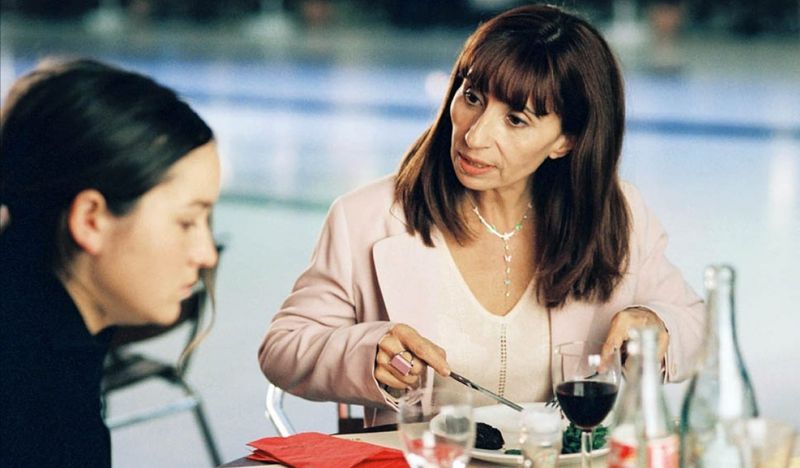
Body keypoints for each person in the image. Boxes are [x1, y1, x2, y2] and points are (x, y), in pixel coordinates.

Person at [259, 4, 704, 427]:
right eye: (471, 97)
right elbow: (282, 347)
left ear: (565, 141)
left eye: (516, 120)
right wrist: (367, 352)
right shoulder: (367, 218)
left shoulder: (618, 216)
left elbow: (699, 327)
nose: (475, 135)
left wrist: (656, 325)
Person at [0, 59, 221, 467]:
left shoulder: (49, 336)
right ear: (91, 219)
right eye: (187, 222)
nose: (207, 255)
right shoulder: (34, 400)